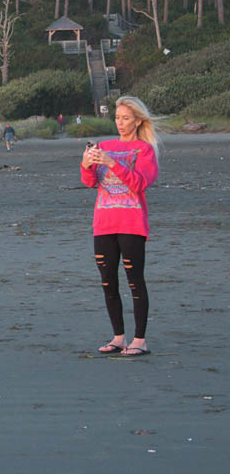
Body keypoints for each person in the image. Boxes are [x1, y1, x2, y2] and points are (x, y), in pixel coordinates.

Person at [80, 96, 160, 357]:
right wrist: (87, 164)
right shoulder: (105, 145)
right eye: (117, 118)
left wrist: (113, 162)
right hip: (103, 224)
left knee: (135, 281)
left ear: (138, 121)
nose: (121, 123)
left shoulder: (144, 150)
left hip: (132, 224)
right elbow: (90, 182)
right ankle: (118, 337)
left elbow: (139, 184)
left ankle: (140, 339)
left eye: (126, 118)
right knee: (108, 282)